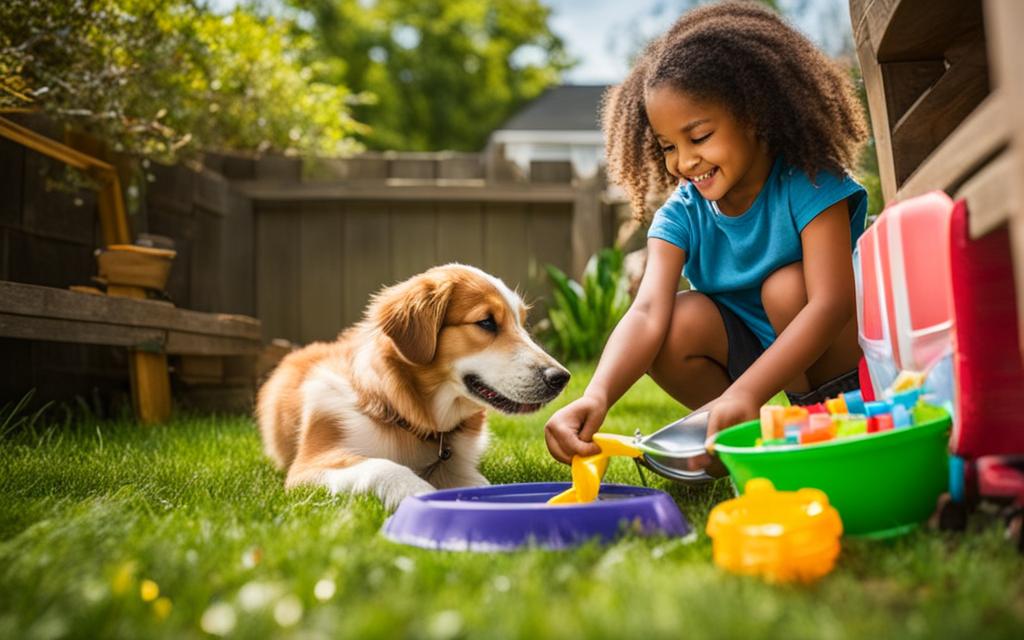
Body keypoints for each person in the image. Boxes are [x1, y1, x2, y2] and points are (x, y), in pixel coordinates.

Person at [544, 1, 869, 470]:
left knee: (785, 289)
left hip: (836, 355)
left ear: (754, 115)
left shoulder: (808, 181)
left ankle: (816, 422)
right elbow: (648, 311)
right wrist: (597, 395)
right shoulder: (683, 213)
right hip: (754, 351)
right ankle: (734, 437)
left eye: (698, 137)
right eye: (668, 147)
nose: (683, 161)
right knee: (673, 324)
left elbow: (831, 302)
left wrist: (748, 391)